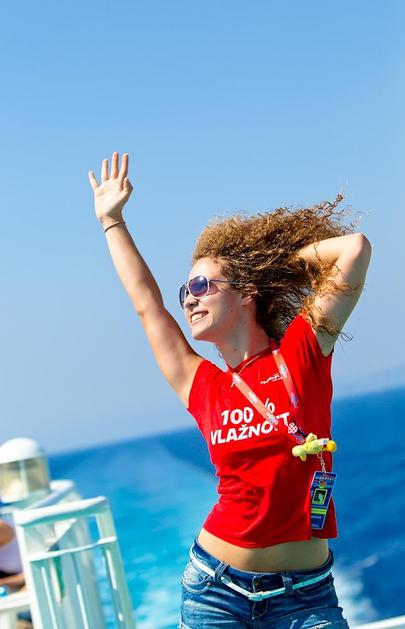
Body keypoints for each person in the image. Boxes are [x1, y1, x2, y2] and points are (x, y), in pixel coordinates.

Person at [88, 153, 372, 628]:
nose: (190, 299)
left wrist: (264, 267)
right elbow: (147, 305)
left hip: (305, 599)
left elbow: (353, 250)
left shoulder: (302, 352)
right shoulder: (201, 383)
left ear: (245, 292)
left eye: (202, 284)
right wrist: (111, 221)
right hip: (215, 589)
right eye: (186, 291)